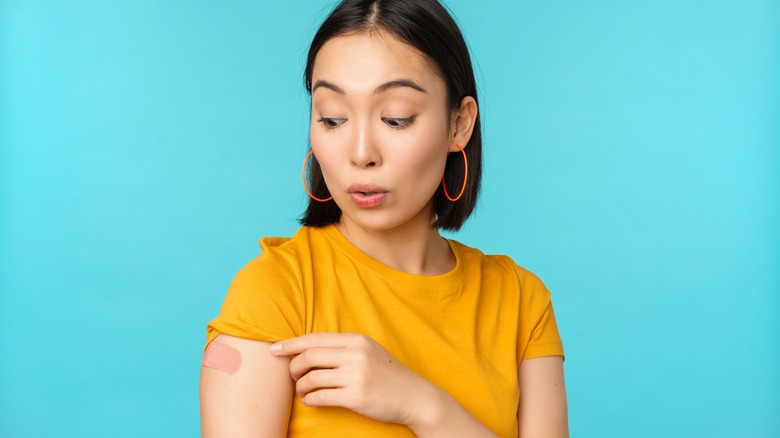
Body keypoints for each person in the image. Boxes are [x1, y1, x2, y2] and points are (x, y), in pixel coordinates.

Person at [199, 0, 568, 436]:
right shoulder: (278, 291)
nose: (360, 154)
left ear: (459, 125)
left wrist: (420, 405)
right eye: (332, 119)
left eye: (396, 118)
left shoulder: (521, 302)